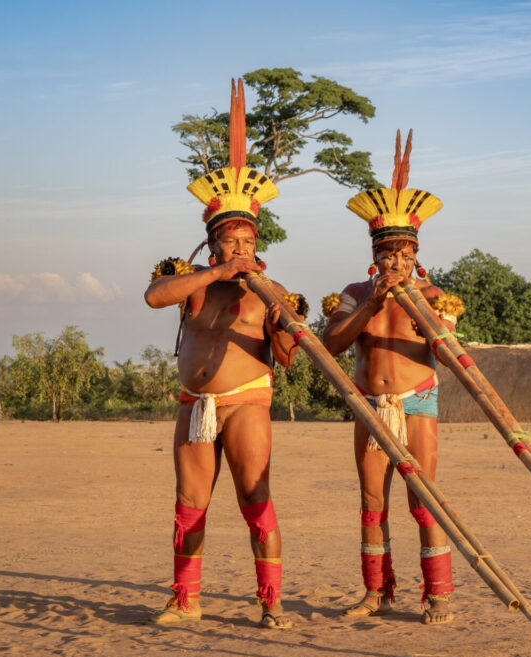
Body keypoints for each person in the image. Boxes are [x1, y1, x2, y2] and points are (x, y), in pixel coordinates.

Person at [143, 79, 301, 628]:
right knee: (189, 503)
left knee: (255, 498)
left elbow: (286, 357)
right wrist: (218, 272)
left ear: (259, 243)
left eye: (248, 242)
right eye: (230, 241)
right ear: (213, 243)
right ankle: (185, 599)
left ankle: (271, 599)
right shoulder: (194, 282)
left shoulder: (273, 291)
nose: (241, 249)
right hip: (194, 403)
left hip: (246, 402)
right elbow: (152, 296)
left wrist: (283, 325)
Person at [322, 130, 463, 625]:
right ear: (375, 256)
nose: (396, 262)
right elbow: (333, 344)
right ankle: (375, 592)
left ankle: (439, 595)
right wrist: (373, 303)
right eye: (388, 255)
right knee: (371, 501)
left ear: (416, 255)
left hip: (417, 400)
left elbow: (446, 354)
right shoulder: (354, 292)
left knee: (423, 498)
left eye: (404, 255)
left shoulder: (435, 295)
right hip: (369, 405)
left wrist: (414, 302)